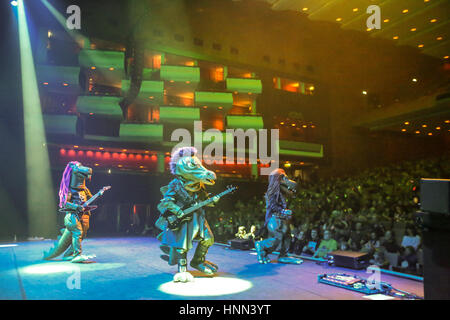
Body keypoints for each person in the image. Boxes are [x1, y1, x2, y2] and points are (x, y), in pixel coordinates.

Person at [155, 147, 220, 282]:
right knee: (181, 244)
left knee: (208, 238)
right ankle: (182, 270)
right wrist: (179, 212)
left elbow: (204, 199)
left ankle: (198, 261)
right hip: (183, 218)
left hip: (198, 217)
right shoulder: (175, 184)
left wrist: (212, 200)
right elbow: (167, 201)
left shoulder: (199, 185)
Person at [43, 161, 95, 263]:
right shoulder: (69, 190)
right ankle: (77, 255)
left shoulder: (84, 189)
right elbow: (64, 203)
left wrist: (98, 194)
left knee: (82, 235)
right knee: (78, 233)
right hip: (72, 216)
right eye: (78, 167)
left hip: (84, 215)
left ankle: (68, 255)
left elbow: (90, 197)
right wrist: (76, 207)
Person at [255, 169, 302, 264]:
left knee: (287, 236)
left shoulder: (281, 190)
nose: (284, 179)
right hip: (275, 219)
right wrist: (283, 211)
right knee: (278, 238)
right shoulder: (272, 191)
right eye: (282, 177)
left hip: (283, 219)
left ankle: (283, 255)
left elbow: (294, 190)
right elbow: (273, 206)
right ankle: (261, 246)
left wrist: (286, 181)